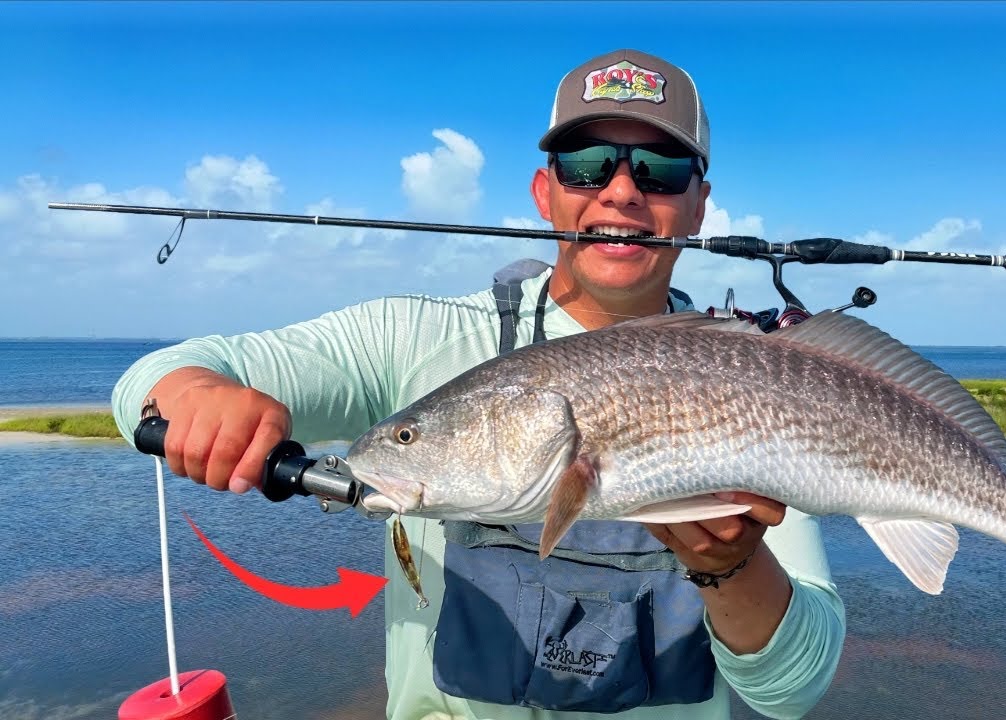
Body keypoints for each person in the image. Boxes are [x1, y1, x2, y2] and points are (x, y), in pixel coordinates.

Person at [112, 49, 845, 720]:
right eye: (586, 162)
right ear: (544, 191)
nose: (620, 192)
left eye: (661, 170)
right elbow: (151, 381)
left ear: (699, 205)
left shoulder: (757, 375)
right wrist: (196, 396)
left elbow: (790, 690)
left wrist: (732, 564)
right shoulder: (414, 338)